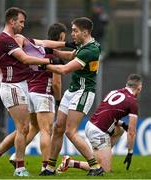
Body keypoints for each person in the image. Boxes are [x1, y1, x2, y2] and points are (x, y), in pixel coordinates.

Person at [0, 7, 65, 177]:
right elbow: (25, 59)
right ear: (12, 21)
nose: (23, 25)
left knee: (23, 129)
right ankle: (19, 168)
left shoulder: (16, 38)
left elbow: (42, 42)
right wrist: (46, 63)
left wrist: (67, 44)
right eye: (21, 22)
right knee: (24, 128)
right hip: (12, 86)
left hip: (22, 86)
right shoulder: (5, 40)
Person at [40, 17, 104, 176]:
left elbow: (64, 70)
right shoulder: (85, 45)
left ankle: (95, 166)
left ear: (85, 32)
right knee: (58, 128)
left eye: (75, 31)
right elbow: (69, 56)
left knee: (70, 131)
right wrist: (53, 51)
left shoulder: (91, 50)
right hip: (73, 90)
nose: (72, 34)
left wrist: (42, 64)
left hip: (83, 92)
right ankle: (50, 168)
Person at [9, 22, 67, 174]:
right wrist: (59, 100)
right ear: (60, 37)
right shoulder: (53, 56)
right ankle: (46, 167)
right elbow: (56, 83)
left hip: (30, 93)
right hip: (43, 93)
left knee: (31, 128)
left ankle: (16, 156)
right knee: (46, 131)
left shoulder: (37, 51)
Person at [57, 74, 142, 173]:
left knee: (120, 130)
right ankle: (71, 163)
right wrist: (130, 152)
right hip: (99, 132)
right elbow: (131, 131)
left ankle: (103, 153)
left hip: (91, 124)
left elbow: (107, 114)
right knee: (104, 169)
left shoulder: (114, 92)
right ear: (139, 88)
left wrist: (122, 124)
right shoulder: (132, 102)